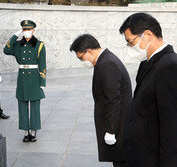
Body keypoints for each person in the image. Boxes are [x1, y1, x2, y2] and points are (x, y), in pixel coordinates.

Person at [119, 12, 177, 167]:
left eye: (131, 42)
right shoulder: (147, 63)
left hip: (153, 158)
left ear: (148, 35)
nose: (131, 47)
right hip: (140, 154)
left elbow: (171, 127)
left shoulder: (170, 66)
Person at [70, 34, 132, 167]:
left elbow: (113, 100)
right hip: (119, 123)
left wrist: (111, 130)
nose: (82, 61)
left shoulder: (108, 64)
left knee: (121, 160)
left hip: (119, 125)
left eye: (81, 58)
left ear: (89, 51)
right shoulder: (105, 60)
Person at [3, 20, 46, 142]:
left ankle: (34, 131)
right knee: (22, 105)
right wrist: (15, 36)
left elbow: (42, 64)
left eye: (29, 29)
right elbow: (6, 50)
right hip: (22, 77)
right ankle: (26, 132)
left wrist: (42, 81)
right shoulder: (17, 44)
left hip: (34, 77)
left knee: (34, 106)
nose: (26, 32)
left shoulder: (40, 45)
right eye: (24, 30)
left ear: (33, 30)